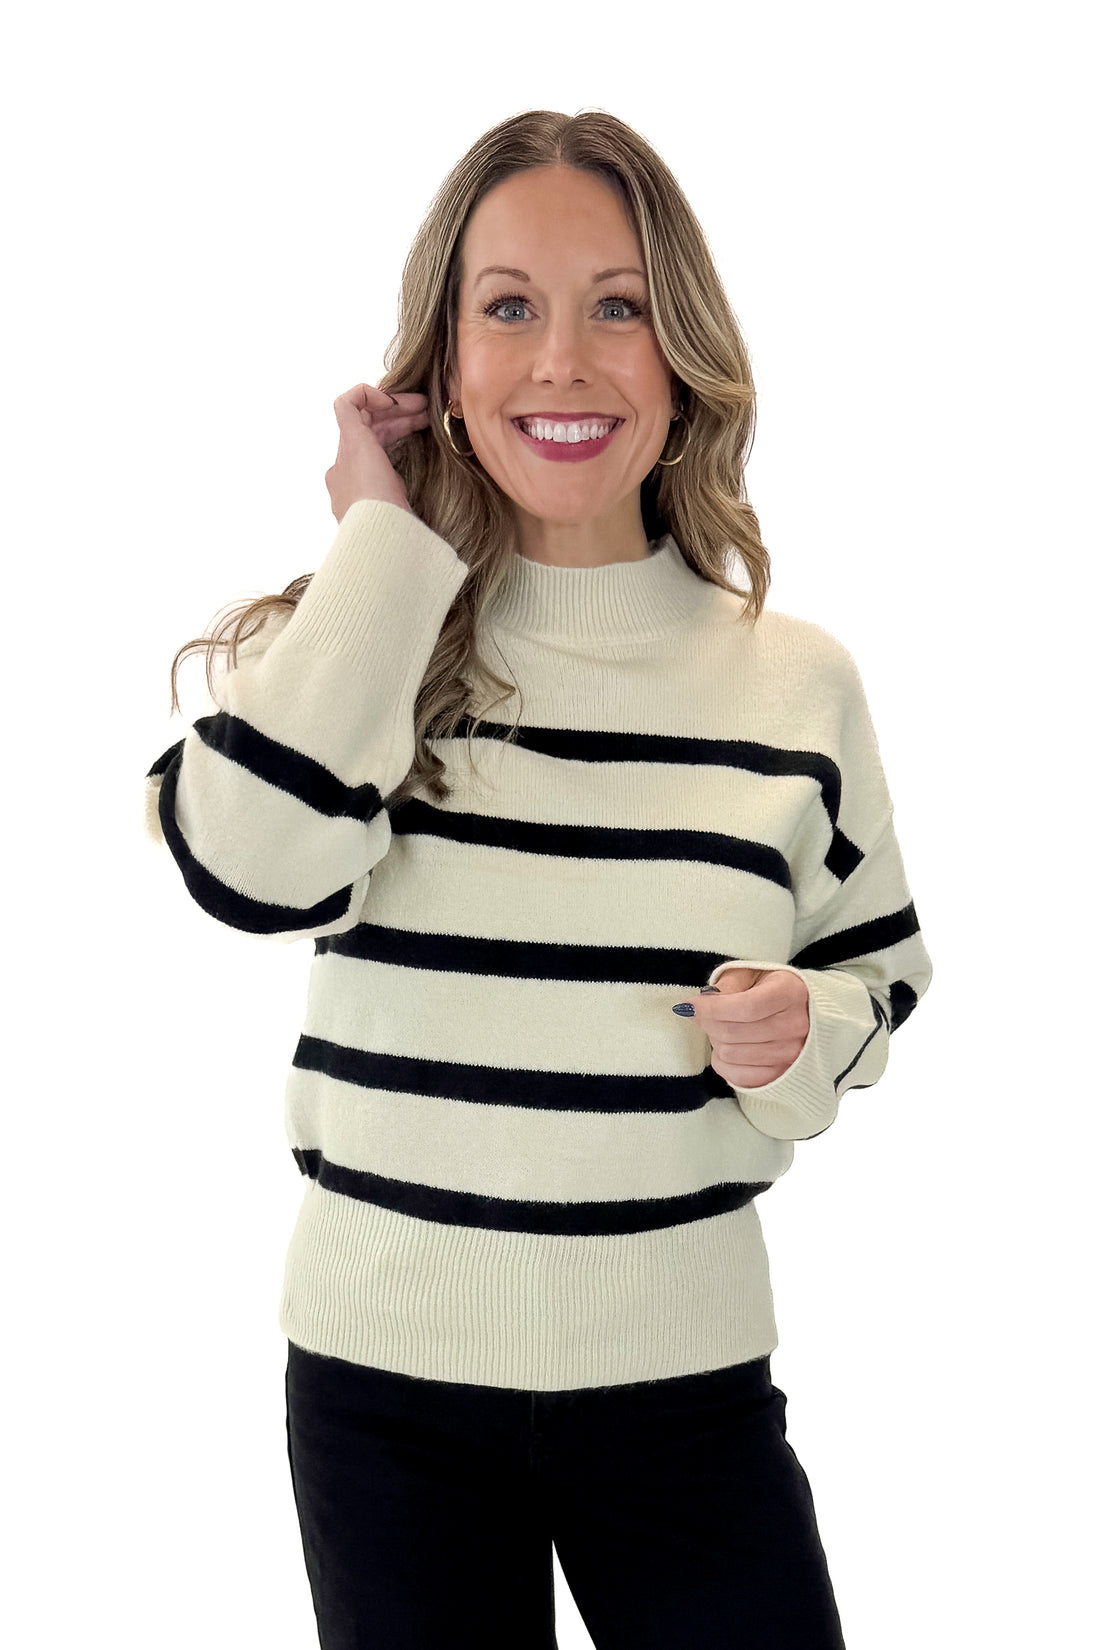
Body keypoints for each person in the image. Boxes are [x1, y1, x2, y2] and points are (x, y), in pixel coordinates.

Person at [144, 109, 932, 1650]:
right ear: (440, 353)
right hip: (385, 1401)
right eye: (509, 306)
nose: (563, 361)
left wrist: (804, 1030)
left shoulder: (794, 685)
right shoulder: (352, 642)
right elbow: (241, 874)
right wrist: (382, 548)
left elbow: (881, 969)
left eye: (617, 306)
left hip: (685, 1392)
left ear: (684, 353)